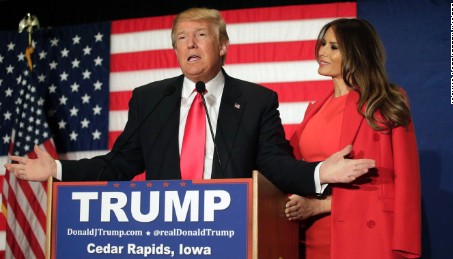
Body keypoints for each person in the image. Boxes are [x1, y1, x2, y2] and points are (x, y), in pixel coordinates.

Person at [4, 8, 375, 197]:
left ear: (223, 46)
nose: (191, 44)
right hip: (167, 235)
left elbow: (275, 164)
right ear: (175, 48)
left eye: (200, 35)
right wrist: (56, 170)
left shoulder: (257, 100)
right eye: (182, 37)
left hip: (231, 236)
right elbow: (120, 164)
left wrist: (318, 173)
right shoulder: (149, 99)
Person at [284, 18, 421, 258]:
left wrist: (319, 206)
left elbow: (399, 180)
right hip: (312, 236)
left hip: (365, 237)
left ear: (357, 53)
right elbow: (292, 169)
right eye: (323, 43)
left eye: (333, 47)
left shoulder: (385, 102)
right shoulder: (314, 110)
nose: (322, 51)